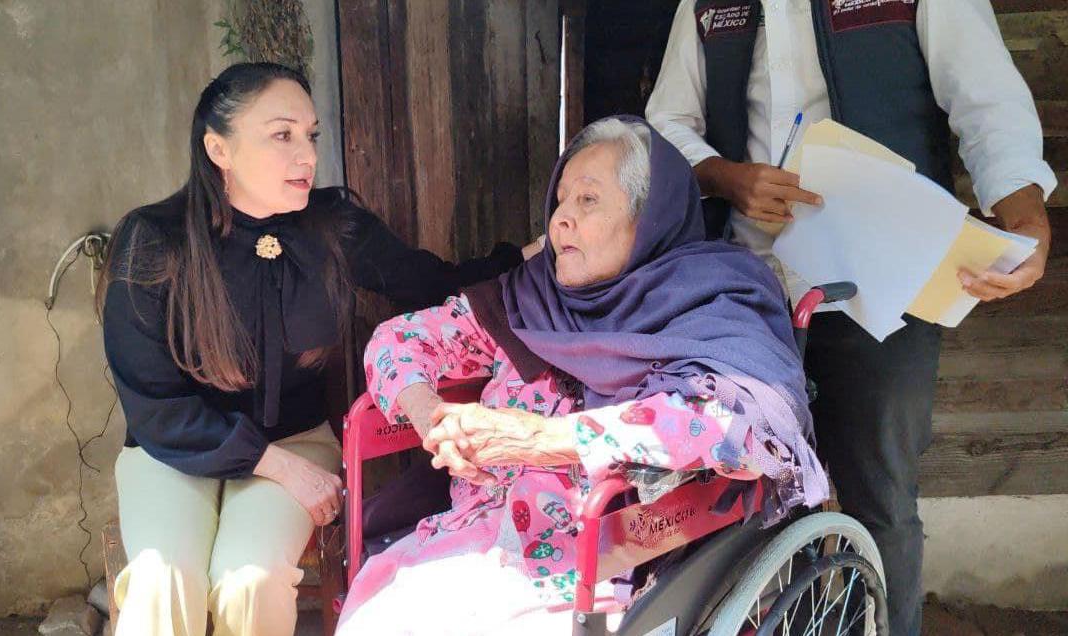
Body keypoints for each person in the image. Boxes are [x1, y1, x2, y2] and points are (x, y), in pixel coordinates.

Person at [645, 2, 1056, 632]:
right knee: (761, 504)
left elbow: (986, 100)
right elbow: (668, 120)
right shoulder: (704, 6)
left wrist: (1023, 214)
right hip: (750, 295)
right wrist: (724, 177)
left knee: (880, 500)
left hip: (884, 284)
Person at [337, 116, 826, 635]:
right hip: (477, 540)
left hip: (613, 567)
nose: (560, 222)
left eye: (587, 200)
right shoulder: (529, 297)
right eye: (560, 202)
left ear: (648, 216)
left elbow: (736, 426)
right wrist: (429, 413)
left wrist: (543, 439)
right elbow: (400, 340)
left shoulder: (713, 300)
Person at [99, 62, 538, 636]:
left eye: (311, 135)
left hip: (296, 438)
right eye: (282, 135)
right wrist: (276, 466)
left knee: (250, 581)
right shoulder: (154, 239)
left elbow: (433, 283)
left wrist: (524, 260)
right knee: (162, 581)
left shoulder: (332, 224)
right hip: (175, 449)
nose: (306, 155)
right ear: (218, 148)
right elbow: (155, 407)